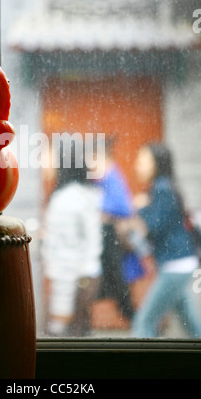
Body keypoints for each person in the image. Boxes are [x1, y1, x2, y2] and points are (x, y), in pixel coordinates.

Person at [126, 143, 201, 338]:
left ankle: (144, 366)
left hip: (175, 266)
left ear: (156, 164)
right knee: (190, 323)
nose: (137, 165)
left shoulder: (162, 189)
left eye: (143, 160)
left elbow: (154, 227)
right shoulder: (163, 188)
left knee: (144, 323)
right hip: (178, 263)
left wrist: (141, 207)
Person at [40, 139, 102, 337]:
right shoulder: (84, 195)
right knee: (80, 332)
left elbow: (66, 251)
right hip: (82, 276)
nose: (43, 162)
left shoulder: (66, 199)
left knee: (66, 334)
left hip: (73, 279)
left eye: (48, 156)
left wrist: (59, 311)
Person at [96, 136, 139, 322]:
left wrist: (101, 209)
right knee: (118, 293)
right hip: (112, 252)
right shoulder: (103, 179)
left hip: (116, 249)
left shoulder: (112, 176)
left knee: (120, 294)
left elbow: (123, 207)